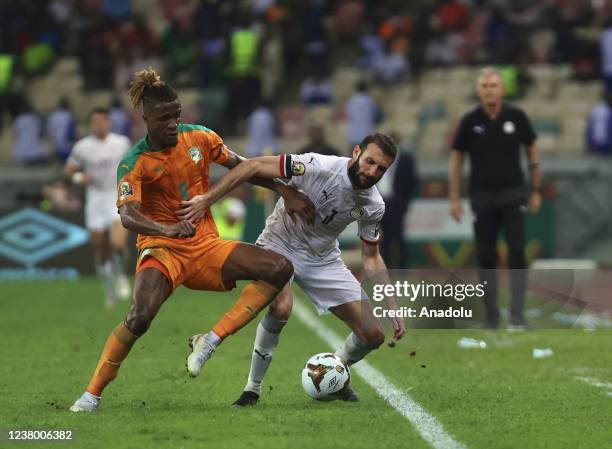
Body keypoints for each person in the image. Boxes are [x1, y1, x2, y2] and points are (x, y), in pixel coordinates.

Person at [70, 68, 313, 412]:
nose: (172, 123)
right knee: (140, 317)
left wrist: (285, 190)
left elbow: (243, 166)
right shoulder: (134, 161)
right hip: (162, 249)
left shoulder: (200, 138)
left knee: (278, 268)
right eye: (163, 118)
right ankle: (91, 394)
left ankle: (210, 340)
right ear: (146, 118)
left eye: (176, 115)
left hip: (207, 245)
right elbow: (127, 216)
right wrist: (167, 230)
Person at [173, 132, 407, 406]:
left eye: (381, 169)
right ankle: (252, 388)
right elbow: (251, 166)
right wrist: (206, 200)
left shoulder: (373, 204)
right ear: (356, 152)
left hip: (323, 258)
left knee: (373, 334)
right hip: (279, 244)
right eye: (370, 161)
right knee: (281, 308)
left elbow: (372, 257)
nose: (372, 172)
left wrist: (390, 303)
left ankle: (332, 372)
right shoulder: (316, 165)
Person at [448, 67, 541, 330]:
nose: (489, 89)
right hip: (482, 197)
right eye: (485, 85)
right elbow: (457, 159)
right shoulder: (469, 121)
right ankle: (491, 317)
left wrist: (535, 190)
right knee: (486, 256)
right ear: (478, 90)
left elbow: (532, 153)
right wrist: (454, 197)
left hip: (514, 195)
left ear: (502, 89)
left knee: (516, 253)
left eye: (494, 85)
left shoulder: (517, 116)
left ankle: (517, 315)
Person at [64, 107, 132, 308]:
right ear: (90, 124)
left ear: (109, 123)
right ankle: (108, 290)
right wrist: (79, 177)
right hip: (94, 200)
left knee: (118, 244)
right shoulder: (82, 147)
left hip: (115, 196)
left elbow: (133, 164)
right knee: (100, 248)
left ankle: (120, 276)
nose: (99, 124)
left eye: (103, 121)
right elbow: (68, 170)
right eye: (95, 121)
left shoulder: (121, 143)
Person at [376, 134, 418, 269]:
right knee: (384, 238)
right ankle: (386, 267)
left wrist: (404, 202)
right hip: (381, 204)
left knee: (398, 236)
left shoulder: (406, 159)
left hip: (397, 204)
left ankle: (402, 268)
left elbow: (412, 182)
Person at [345, 81, 382, 149]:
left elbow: (347, 116)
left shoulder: (351, 101)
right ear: (367, 89)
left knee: (354, 157)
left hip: (353, 135)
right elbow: (378, 117)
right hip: (367, 135)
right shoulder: (371, 102)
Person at [47, 97, 77, 161]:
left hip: (57, 148)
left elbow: (50, 132)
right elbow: (71, 134)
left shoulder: (53, 116)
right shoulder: (69, 115)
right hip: (68, 148)